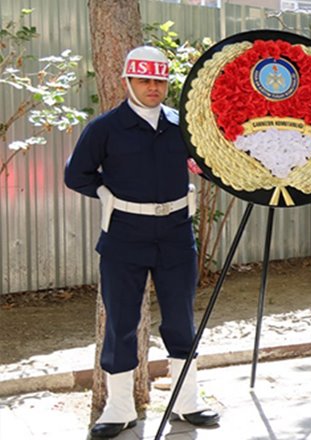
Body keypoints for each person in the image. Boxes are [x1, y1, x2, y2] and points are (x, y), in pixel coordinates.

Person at [64, 46, 219, 438]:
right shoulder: (104, 128)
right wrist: (106, 194)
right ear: (127, 82)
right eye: (145, 80)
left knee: (181, 319)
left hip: (175, 234)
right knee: (121, 322)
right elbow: (76, 174)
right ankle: (119, 408)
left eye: (159, 81)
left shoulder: (182, 124)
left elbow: (207, 162)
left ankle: (187, 401)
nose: (153, 87)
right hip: (124, 236)